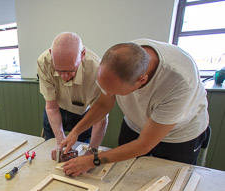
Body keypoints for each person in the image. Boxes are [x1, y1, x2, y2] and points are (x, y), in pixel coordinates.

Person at [59, 39, 210, 177]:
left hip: (177, 136)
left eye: (115, 93)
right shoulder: (119, 60)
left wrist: (92, 160)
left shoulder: (180, 82)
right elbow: (104, 104)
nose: (109, 94)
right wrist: (76, 132)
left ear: (142, 80)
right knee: (124, 174)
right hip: (135, 123)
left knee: (170, 180)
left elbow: (143, 144)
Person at [37, 32, 108, 160]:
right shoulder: (44, 62)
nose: (64, 77)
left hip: (83, 115)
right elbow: (52, 107)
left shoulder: (97, 70)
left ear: (82, 55)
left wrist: (91, 153)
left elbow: (100, 117)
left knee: (82, 156)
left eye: (70, 70)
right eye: (59, 70)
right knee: (54, 155)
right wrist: (60, 142)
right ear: (50, 53)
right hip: (54, 110)